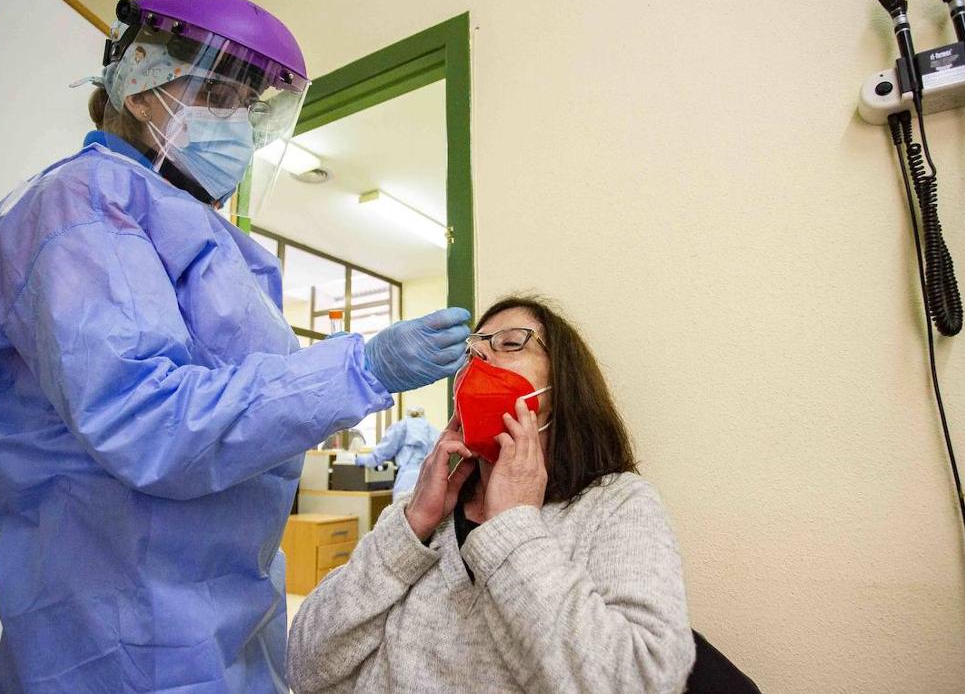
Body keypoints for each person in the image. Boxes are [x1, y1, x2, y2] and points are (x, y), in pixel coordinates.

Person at [0, 0, 470, 693]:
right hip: (123, 619)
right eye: (222, 97)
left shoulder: (219, 244)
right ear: (141, 87)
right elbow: (148, 420)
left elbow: (263, 409)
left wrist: (346, 374)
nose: (239, 125)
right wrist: (362, 367)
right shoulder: (80, 209)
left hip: (230, 604)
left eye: (249, 108)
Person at [288, 295, 695, 692]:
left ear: (563, 386)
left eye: (510, 343)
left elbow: (645, 680)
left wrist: (512, 530)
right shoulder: (425, 518)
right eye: (471, 351)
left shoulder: (618, 504)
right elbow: (304, 667)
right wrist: (411, 528)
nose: (479, 358)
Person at [354, 406, 440, 498]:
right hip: (430, 479)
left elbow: (383, 452)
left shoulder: (402, 426)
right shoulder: (433, 430)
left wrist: (359, 460)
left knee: (401, 509)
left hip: (407, 479)